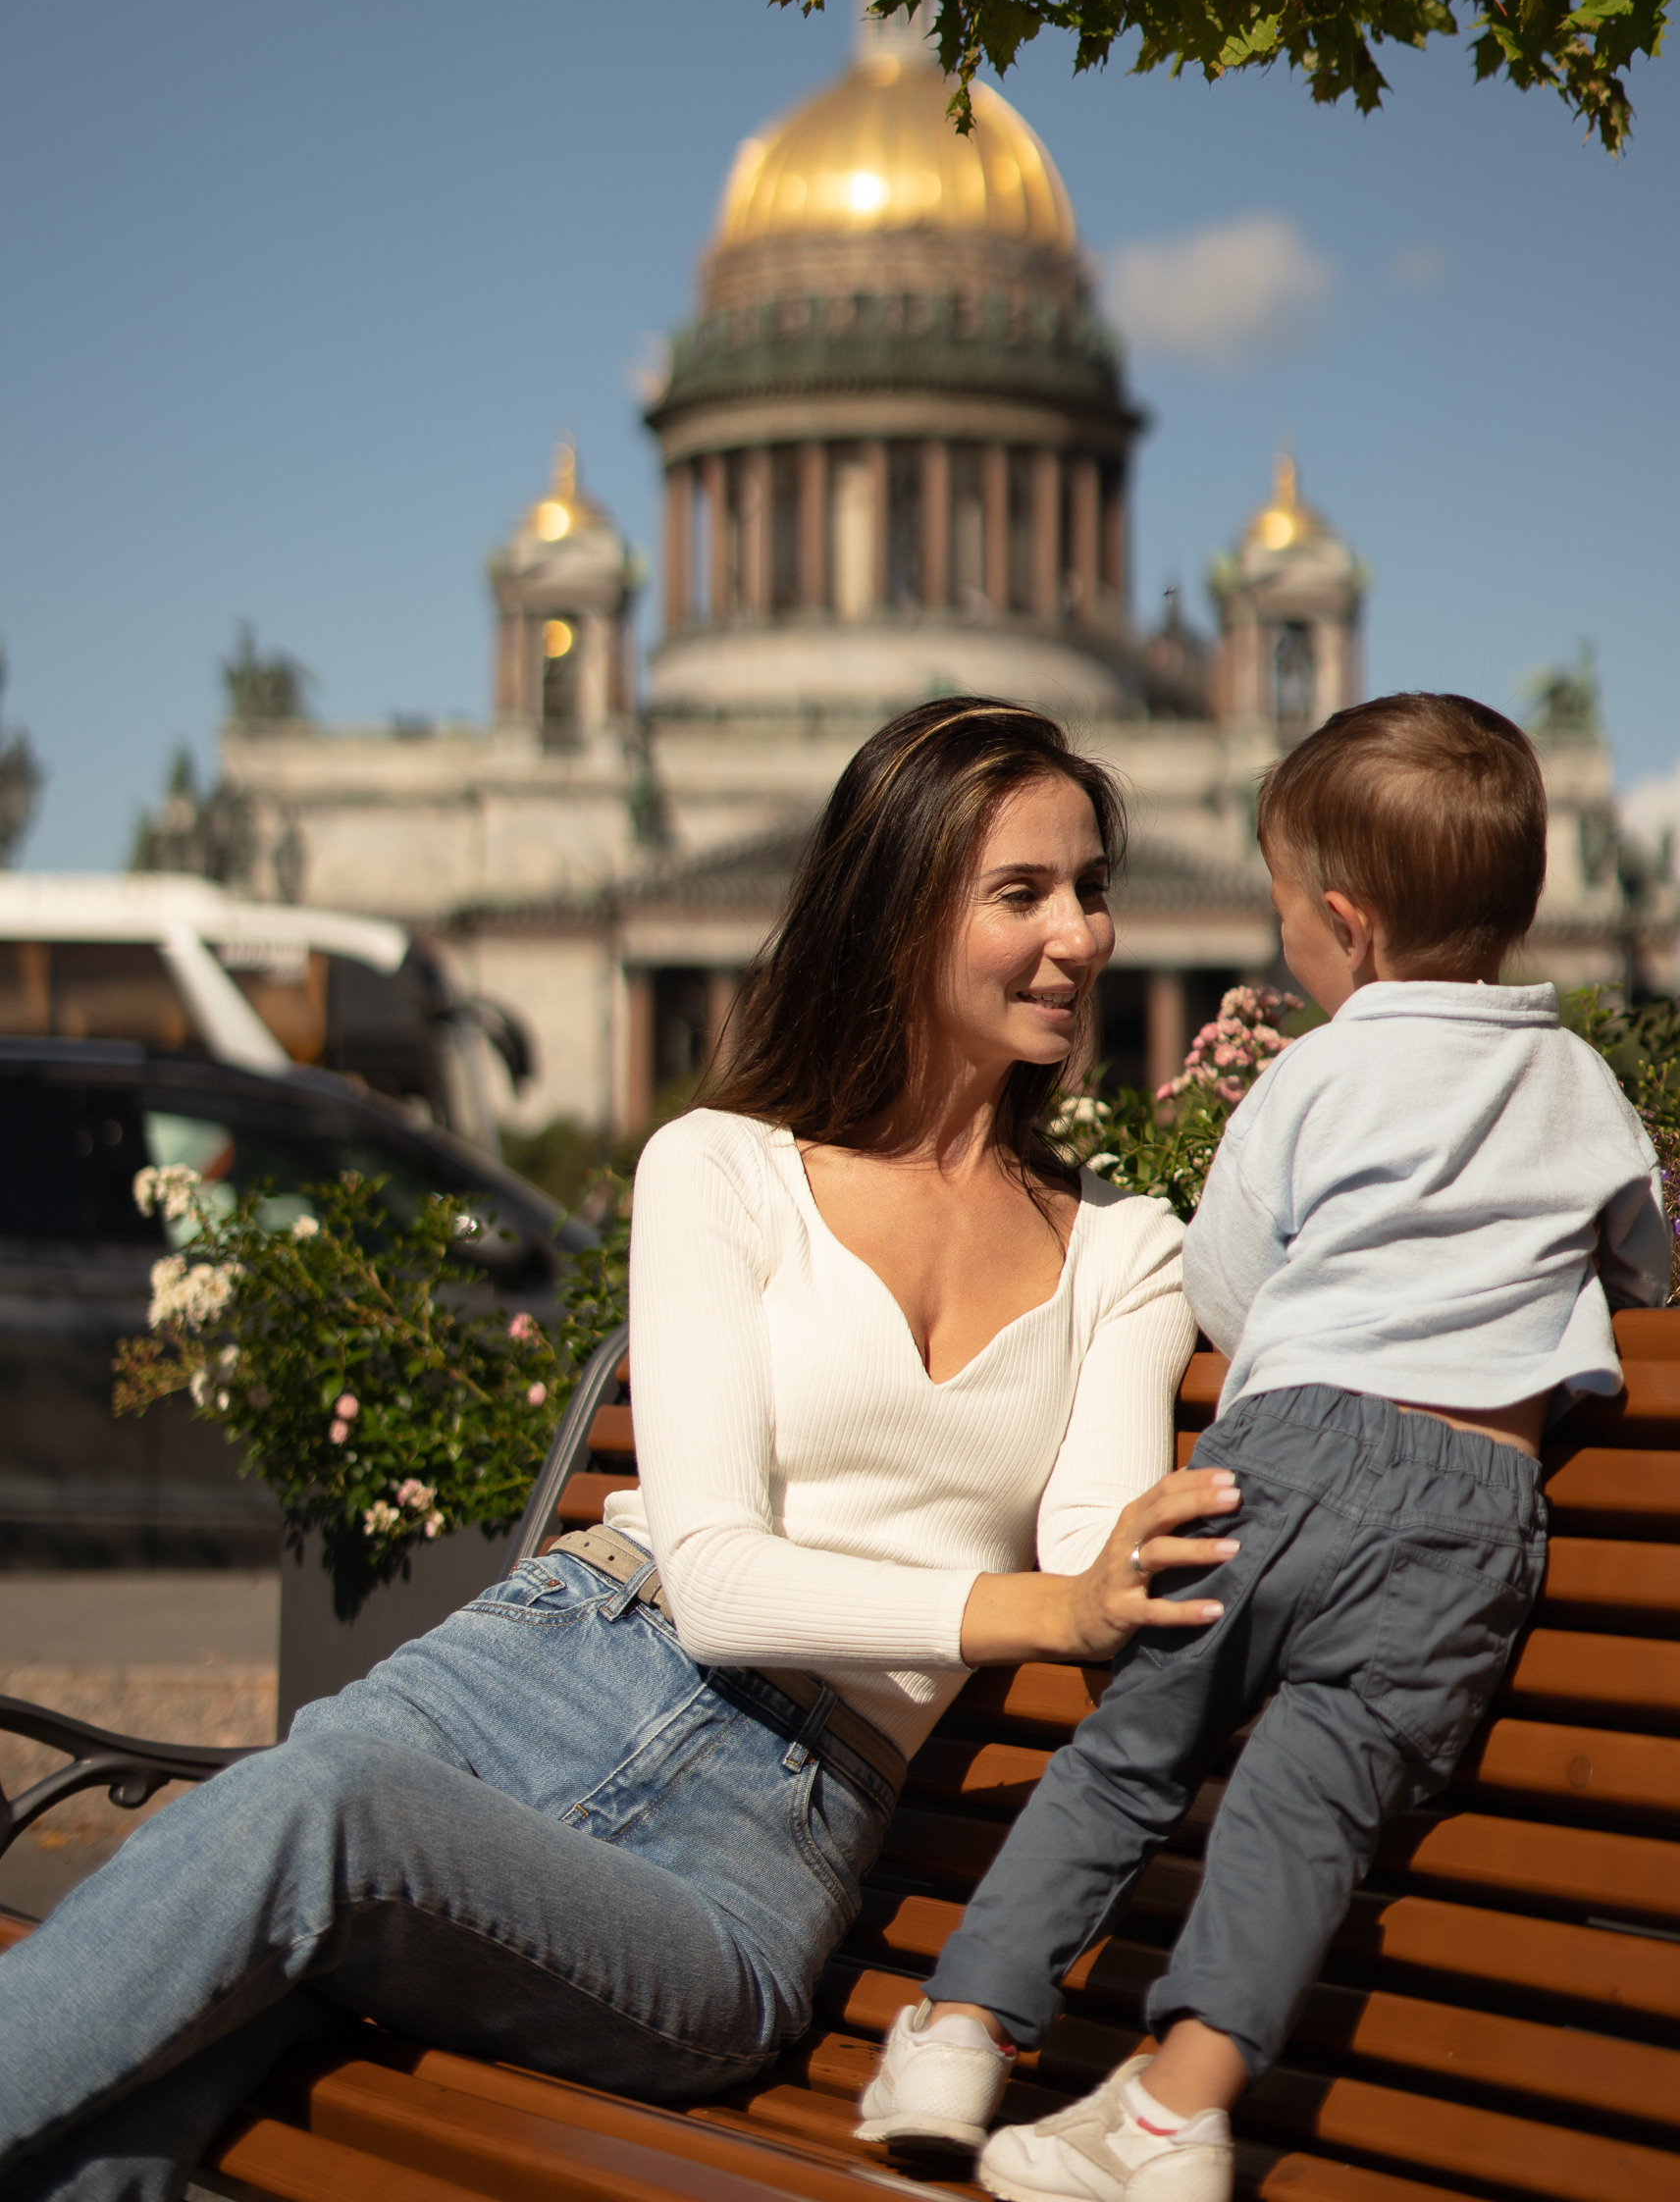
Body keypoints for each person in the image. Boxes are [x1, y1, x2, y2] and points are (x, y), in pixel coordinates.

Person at [0, 696, 1220, 2202]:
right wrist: (1047, 1606)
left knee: (306, 1825)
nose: (1082, 935)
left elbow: (1100, 1551)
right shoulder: (722, 1167)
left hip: (759, 1842)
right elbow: (715, 1579)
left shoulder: (1125, 1254)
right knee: (205, 2040)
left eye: (1091, 888)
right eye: (1023, 893)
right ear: (899, 914)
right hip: (535, 1674)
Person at [858, 692, 1669, 2202]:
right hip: (1473, 1517)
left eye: (1287, 907)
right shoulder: (1586, 1087)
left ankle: (961, 2032)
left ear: (1346, 927)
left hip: (1285, 1469)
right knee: (1313, 1809)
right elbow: (1647, 1264)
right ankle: (1174, 2114)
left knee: (1126, 1764)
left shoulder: (1310, 1075)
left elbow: (1228, 1284)